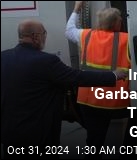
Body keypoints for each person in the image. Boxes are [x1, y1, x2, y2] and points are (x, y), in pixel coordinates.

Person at [1, 19, 127, 159]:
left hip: (9, 133)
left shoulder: (3, 57)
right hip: (39, 135)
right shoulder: (46, 61)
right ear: (35, 37)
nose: (45, 37)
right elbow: (78, 78)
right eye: (44, 33)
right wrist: (114, 75)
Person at [65, 1, 137, 159]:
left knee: (94, 142)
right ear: (116, 23)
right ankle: (129, 150)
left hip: (89, 102)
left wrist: (76, 9)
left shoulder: (85, 35)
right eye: (120, 19)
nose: (122, 21)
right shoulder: (128, 40)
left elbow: (69, 30)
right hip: (117, 103)